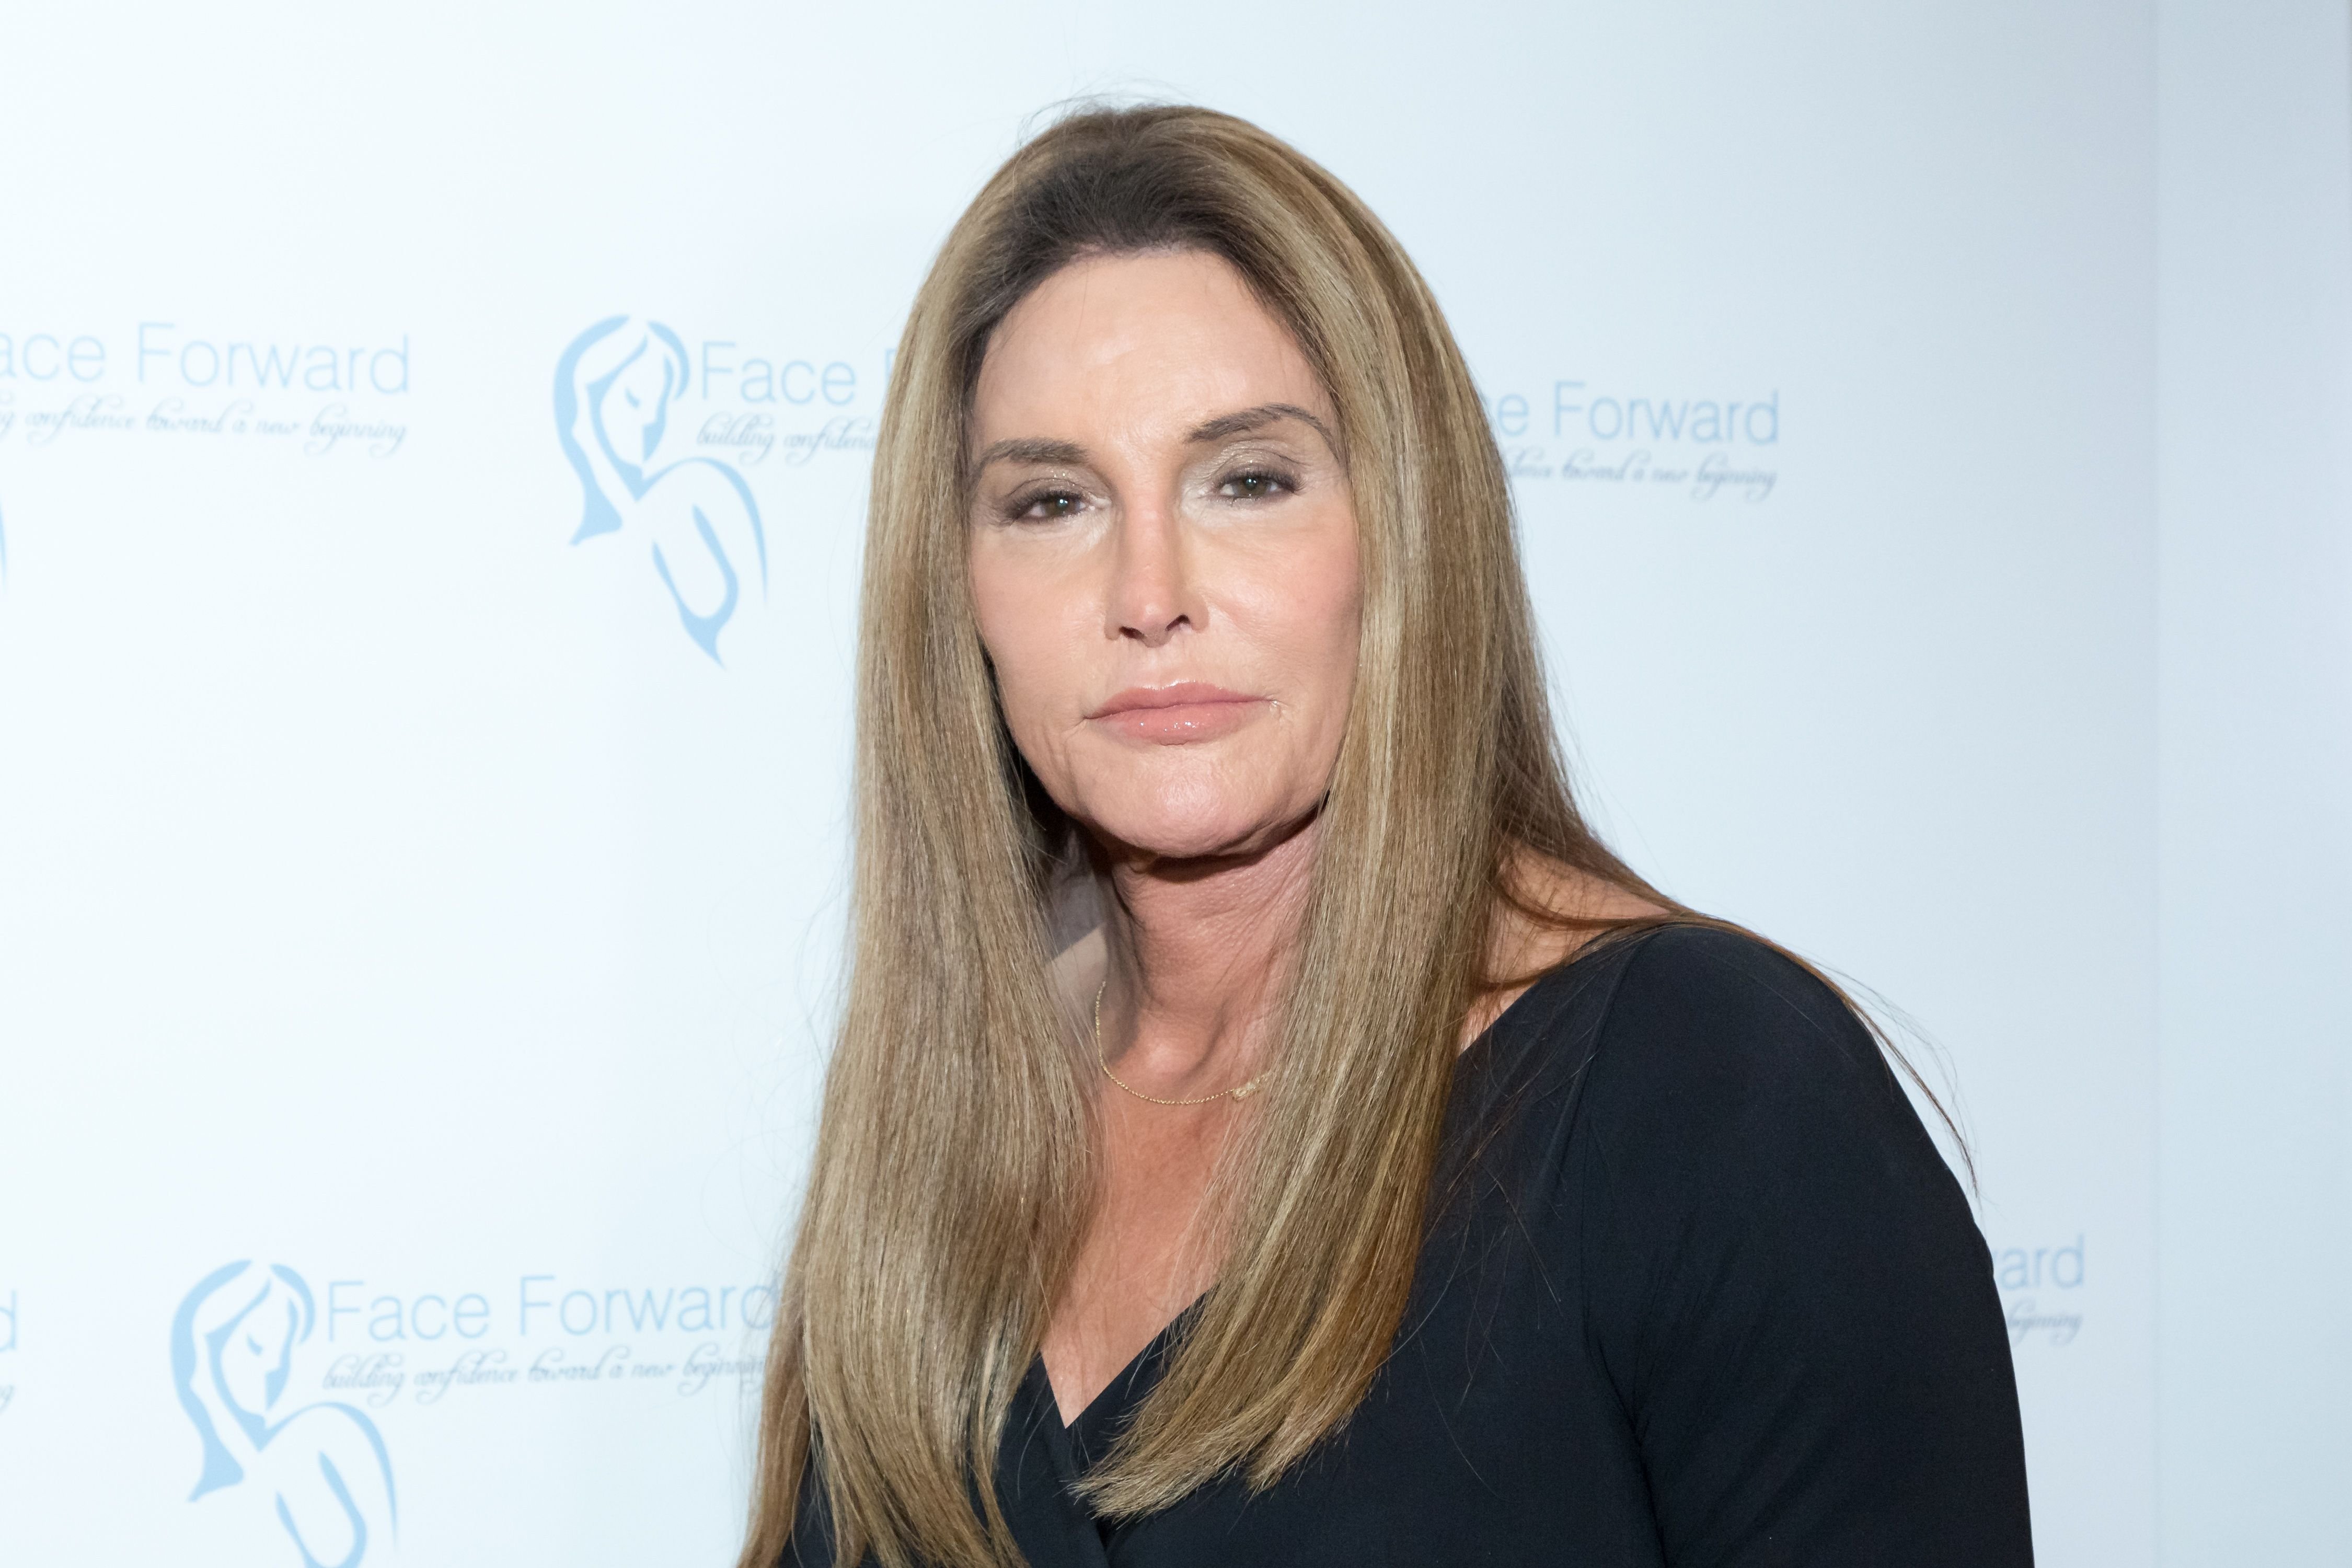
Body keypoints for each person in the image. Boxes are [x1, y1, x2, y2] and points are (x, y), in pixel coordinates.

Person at [741, 105, 2031, 1568]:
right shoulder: (939, 1130)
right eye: (1051, 500)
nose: (1147, 590)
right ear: (958, 593)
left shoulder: (1710, 1099)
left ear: (1405, 529)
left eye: (1248, 480)